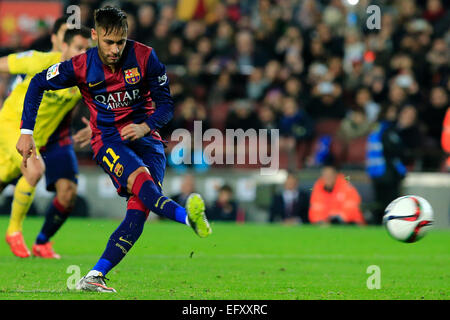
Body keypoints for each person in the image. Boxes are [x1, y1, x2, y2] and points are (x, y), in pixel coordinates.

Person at [17, 6, 211, 293]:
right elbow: (37, 83)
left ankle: (95, 276)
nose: (115, 49)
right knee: (143, 183)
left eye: (120, 41)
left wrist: (146, 126)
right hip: (108, 140)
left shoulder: (145, 57)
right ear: (95, 36)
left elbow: (166, 105)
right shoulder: (81, 65)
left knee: (139, 211)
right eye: (109, 42)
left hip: (148, 140)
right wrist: (26, 132)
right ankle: (187, 218)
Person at [0, 24, 91, 258]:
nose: (82, 54)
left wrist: (96, 125)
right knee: (35, 170)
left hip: (39, 139)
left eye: (86, 49)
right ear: (64, 46)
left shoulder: (84, 78)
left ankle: (41, 241)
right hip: (11, 125)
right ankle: (13, 232)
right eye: (78, 48)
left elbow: (103, 102)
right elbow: (3, 65)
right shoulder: (39, 61)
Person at [366, 105, 407, 225]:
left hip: (376, 172)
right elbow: (394, 150)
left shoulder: (376, 128)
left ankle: (377, 224)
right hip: (388, 172)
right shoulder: (388, 129)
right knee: (391, 203)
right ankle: (391, 225)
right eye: (392, 111)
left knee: (379, 202)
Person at [309, 159, 365, 225]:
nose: (327, 178)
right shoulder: (318, 187)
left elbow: (352, 207)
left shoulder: (346, 186)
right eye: (325, 175)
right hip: (326, 225)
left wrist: (338, 217)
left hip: (348, 223)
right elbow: (315, 210)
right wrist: (323, 220)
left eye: (330, 175)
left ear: (336, 175)